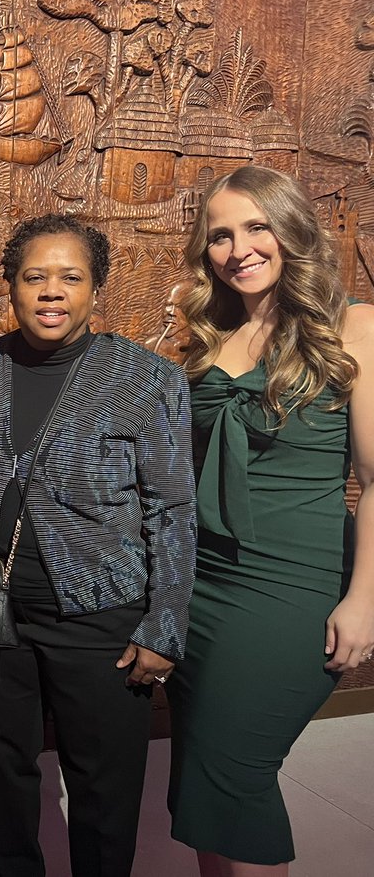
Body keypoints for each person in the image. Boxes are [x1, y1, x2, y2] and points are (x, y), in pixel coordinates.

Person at [0, 213, 196, 877]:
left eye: (70, 277)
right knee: (3, 776)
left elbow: (173, 508)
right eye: (34, 277)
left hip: (103, 618)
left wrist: (164, 625)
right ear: (11, 287)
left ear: (97, 289)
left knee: (103, 790)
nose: (51, 292)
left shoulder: (146, 378)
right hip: (0, 616)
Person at [167, 165, 374, 876]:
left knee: (234, 774)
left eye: (256, 227)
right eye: (220, 234)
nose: (238, 248)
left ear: (291, 230)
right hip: (202, 588)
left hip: (293, 588)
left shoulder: (356, 326)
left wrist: (363, 599)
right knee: (203, 778)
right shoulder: (207, 340)